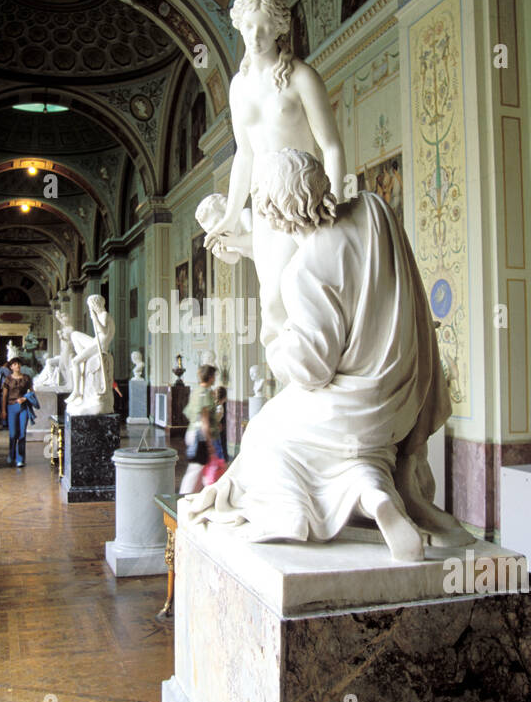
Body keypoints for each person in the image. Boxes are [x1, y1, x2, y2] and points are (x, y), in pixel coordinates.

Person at [185, 151, 470, 560]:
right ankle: (372, 491)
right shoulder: (374, 210)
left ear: (274, 214)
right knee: (350, 449)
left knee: (263, 438)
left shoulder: (306, 271)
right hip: (408, 396)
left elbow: (312, 370)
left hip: (357, 406)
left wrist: (276, 343)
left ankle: (303, 510)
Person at [200, 0, 347, 347]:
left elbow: (330, 145)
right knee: (272, 302)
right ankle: (297, 385)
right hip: (263, 203)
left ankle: (313, 373)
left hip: (301, 199)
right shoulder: (238, 87)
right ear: (239, 26)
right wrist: (231, 215)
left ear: (281, 27)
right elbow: (244, 155)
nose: (256, 35)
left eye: (265, 26)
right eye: (250, 26)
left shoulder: (301, 77)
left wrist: (336, 202)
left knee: (283, 296)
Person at [179, 364, 217, 495]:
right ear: (211, 377)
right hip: (199, 435)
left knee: (199, 470)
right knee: (195, 470)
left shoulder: (195, 391)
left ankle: (194, 496)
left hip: (192, 432)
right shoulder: (205, 394)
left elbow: (190, 413)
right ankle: (184, 497)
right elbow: (204, 421)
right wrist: (209, 443)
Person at [2, 357, 34, 468]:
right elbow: (4, 395)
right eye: (15, 364)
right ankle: (11, 455)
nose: (17, 366)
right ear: (11, 367)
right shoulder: (8, 379)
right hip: (11, 406)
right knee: (13, 434)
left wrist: (25, 398)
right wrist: (3, 410)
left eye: (19, 364)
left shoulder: (26, 378)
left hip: (23, 406)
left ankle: (20, 459)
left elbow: (32, 392)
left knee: (22, 434)